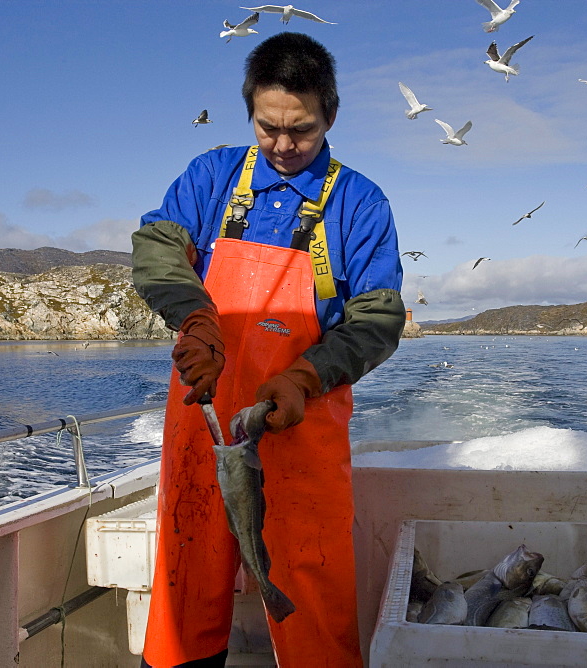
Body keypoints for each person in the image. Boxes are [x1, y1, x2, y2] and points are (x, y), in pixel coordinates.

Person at [131, 32, 405, 667]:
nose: (283, 146)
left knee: (312, 590)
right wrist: (198, 320)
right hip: (205, 414)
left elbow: (377, 319)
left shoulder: (361, 205)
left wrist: (306, 377)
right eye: (267, 127)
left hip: (300, 428)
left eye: (301, 131)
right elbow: (157, 247)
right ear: (250, 111)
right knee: (185, 585)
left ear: (330, 116)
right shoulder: (212, 176)